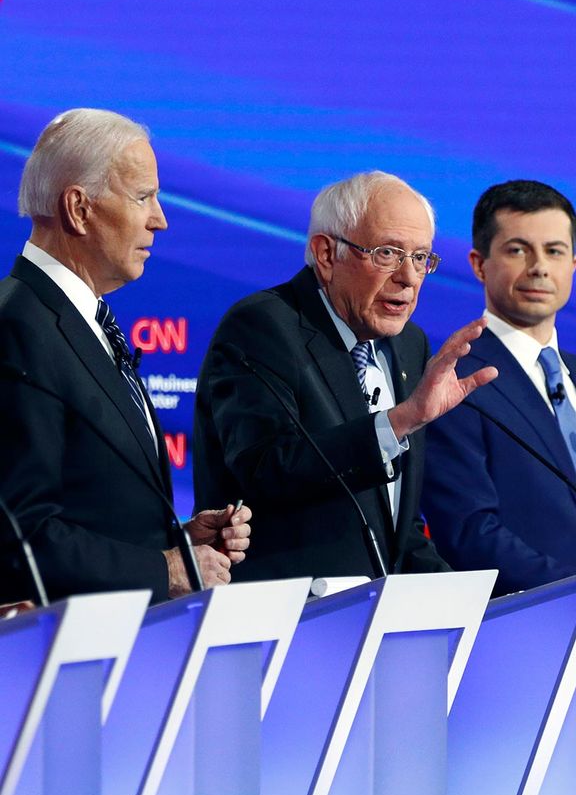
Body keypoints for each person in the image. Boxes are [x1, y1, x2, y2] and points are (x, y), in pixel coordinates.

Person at [192, 171, 496, 583]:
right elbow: (264, 469)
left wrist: (468, 602)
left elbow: (393, 527)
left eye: (421, 258)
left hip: (372, 620)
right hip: (290, 617)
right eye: (388, 253)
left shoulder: (409, 345)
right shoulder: (264, 327)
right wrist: (400, 421)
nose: (408, 277)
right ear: (326, 254)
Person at [0, 108, 251, 605]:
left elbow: (88, 504)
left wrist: (179, 539)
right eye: (143, 197)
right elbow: (19, 537)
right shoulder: (18, 326)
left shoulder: (76, 317)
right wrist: (164, 568)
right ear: (79, 208)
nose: (160, 220)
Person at [422, 179, 576, 597]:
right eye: (517, 250)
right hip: (528, 627)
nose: (539, 266)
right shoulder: (456, 380)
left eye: (554, 251)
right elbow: (470, 532)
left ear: (573, 264)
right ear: (478, 263)